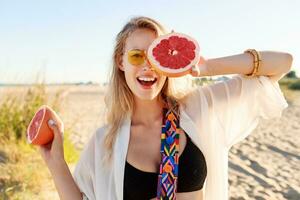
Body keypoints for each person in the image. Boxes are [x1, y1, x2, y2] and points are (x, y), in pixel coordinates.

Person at [38, 16, 293, 200]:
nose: (148, 66)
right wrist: (56, 162)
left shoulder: (198, 109)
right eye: (137, 56)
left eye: (155, 56)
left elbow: (282, 63)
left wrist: (204, 68)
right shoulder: (105, 141)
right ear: (121, 62)